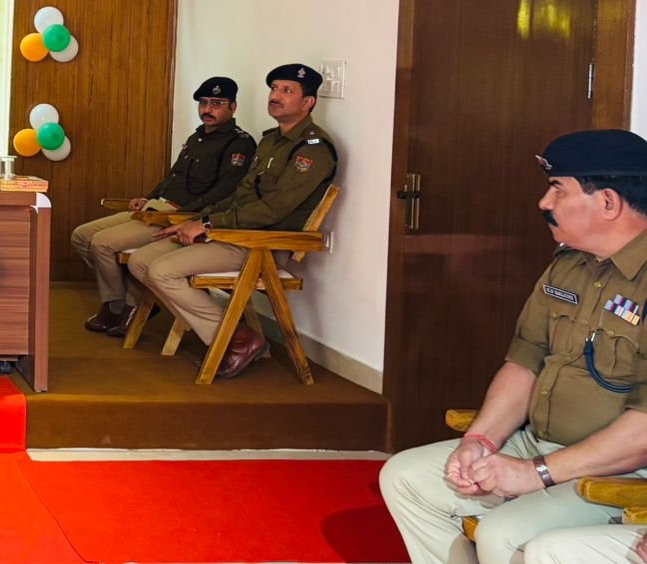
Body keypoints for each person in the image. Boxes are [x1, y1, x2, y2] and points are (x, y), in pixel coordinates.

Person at [381, 129, 647, 564]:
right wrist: (481, 441)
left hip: (618, 469)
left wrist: (535, 474)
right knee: (407, 477)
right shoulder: (568, 266)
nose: (544, 202)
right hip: (538, 446)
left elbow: (642, 434)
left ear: (608, 202)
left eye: (558, 189)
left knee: (504, 534)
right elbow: (525, 362)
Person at [126, 63, 337, 379]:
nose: (275, 96)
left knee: (162, 271)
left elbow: (272, 210)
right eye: (274, 89)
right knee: (140, 261)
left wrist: (209, 224)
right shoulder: (270, 141)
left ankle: (234, 340)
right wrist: (196, 219)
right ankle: (234, 334)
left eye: (287, 90)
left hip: (260, 242)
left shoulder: (314, 150)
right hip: (232, 231)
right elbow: (240, 196)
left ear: (308, 102)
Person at [70, 77, 255, 338]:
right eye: (203, 103)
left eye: (216, 104)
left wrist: (183, 213)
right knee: (81, 236)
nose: (207, 109)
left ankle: (124, 307)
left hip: (179, 217)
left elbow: (224, 191)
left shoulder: (239, 144)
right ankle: (124, 298)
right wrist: (147, 198)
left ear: (233, 107)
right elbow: (173, 178)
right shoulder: (197, 137)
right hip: (156, 209)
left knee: (102, 243)